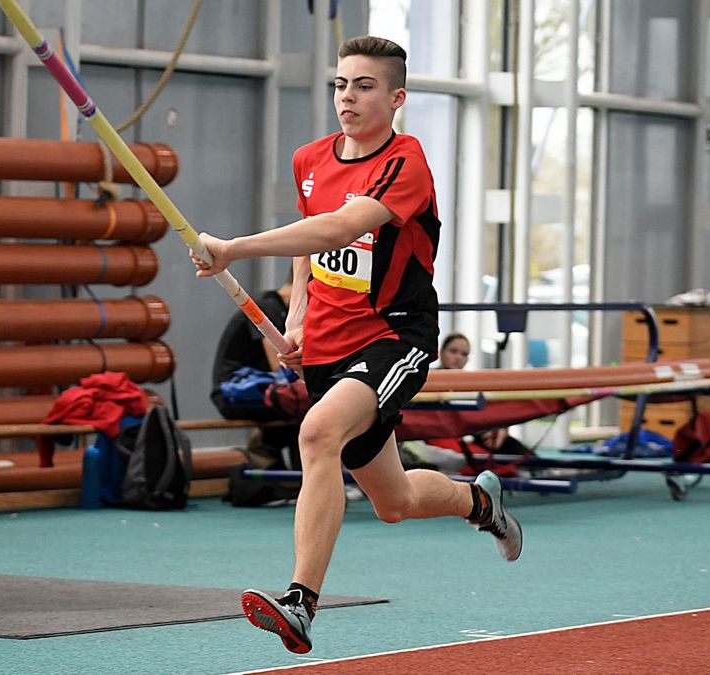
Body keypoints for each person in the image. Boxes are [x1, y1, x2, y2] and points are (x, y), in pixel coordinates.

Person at [190, 36, 522, 654]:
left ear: (396, 98)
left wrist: (233, 248)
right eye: (341, 84)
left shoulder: (405, 162)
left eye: (364, 86)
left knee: (317, 433)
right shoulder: (310, 159)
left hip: (396, 335)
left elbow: (341, 226)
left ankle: (300, 602)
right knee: (394, 500)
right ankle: (480, 501)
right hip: (326, 348)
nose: (348, 97)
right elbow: (309, 244)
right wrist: (297, 318)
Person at [211, 277, 304, 470]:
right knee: (305, 402)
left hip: (258, 388)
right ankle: (275, 462)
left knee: (307, 402)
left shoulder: (283, 310)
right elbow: (281, 365)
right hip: (234, 392)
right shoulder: (267, 308)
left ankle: (289, 468)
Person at [434, 332, 533, 457]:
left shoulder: (471, 386)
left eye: (464, 354)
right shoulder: (428, 380)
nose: (458, 357)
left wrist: (501, 430)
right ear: (441, 352)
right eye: (453, 351)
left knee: (523, 455)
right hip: (446, 435)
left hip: (476, 434)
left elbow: (489, 414)